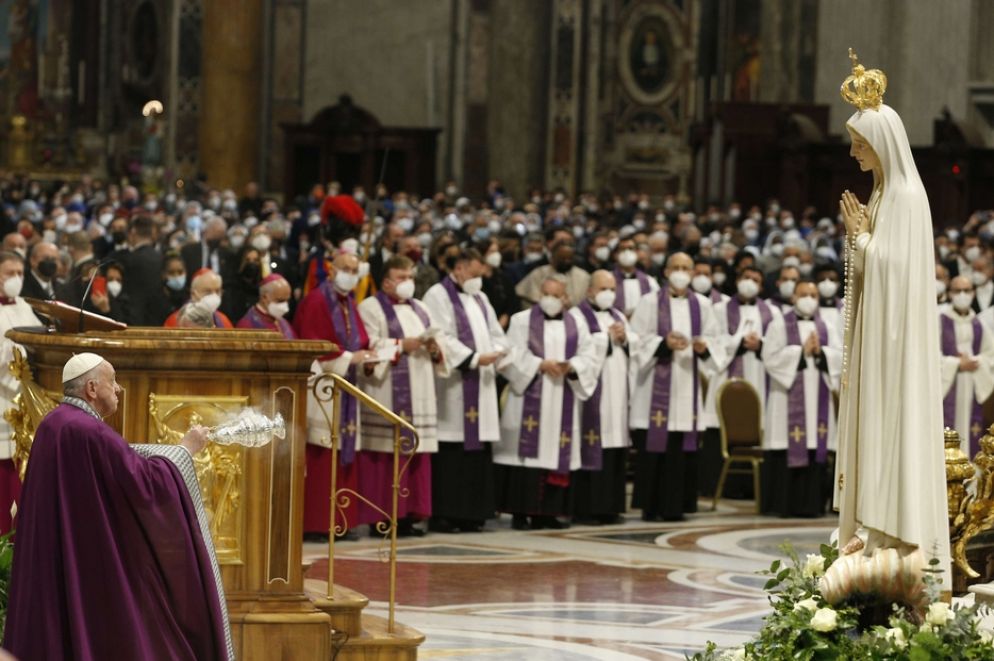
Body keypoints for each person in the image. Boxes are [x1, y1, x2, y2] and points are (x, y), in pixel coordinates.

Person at [3, 353, 231, 660]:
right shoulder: (90, 431)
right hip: (91, 563)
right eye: (113, 381)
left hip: (62, 556)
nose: (119, 388)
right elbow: (145, 482)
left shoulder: (54, 423)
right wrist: (186, 449)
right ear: (93, 388)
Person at [834, 53, 951, 587]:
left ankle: (891, 529)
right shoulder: (883, 192)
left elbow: (897, 272)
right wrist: (860, 239)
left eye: (860, 143)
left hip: (894, 346)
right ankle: (871, 527)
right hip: (876, 340)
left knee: (892, 426)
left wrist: (860, 240)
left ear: (882, 144)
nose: (854, 151)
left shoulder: (904, 196)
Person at [494, 276, 602, 530]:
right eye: (547, 294)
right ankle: (521, 512)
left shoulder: (577, 323)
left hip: (561, 394)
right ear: (539, 294)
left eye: (557, 295)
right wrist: (539, 365)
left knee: (556, 451)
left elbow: (589, 356)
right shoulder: (521, 321)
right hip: (529, 395)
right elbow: (510, 354)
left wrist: (572, 366)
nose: (551, 300)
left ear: (566, 297)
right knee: (525, 458)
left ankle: (550, 513)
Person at [630, 252, 725, 521]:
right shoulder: (649, 302)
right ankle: (651, 506)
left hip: (686, 385)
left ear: (693, 273)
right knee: (655, 448)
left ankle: (677, 506)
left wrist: (703, 346)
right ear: (666, 271)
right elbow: (636, 341)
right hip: (654, 388)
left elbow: (717, 343)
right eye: (677, 267)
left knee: (680, 450)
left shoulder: (703, 305)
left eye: (686, 267)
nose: (681, 272)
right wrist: (663, 343)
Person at [356, 256, 446, 536]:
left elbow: (441, 349)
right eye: (400, 277)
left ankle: (410, 515)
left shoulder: (421, 308)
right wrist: (400, 345)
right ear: (385, 281)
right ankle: (381, 518)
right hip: (386, 391)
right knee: (385, 455)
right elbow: (368, 346)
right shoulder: (370, 307)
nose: (407, 282)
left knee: (415, 454)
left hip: (419, 387)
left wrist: (433, 348)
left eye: (410, 277)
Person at [422, 248, 506, 532]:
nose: (478, 279)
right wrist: (471, 358)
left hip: (481, 383)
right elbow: (438, 334)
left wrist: (497, 352)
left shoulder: (480, 298)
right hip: (454, 385)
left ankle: (473, 513)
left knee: (477, 451)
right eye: (473, 273)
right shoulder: (437, 295)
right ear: (458, 268)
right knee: (452, 451)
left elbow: (496, 333)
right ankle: (446, 514)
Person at [293, 251, 376, 539]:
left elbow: (360, 339)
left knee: (343, 451)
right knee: (322, 451)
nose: (350, 274)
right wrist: (351, 358)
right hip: (323, 386)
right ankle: (319, 523)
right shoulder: (317, 300)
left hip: (346, 386)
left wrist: (367, 357)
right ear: (331, 270)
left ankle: (342, 521)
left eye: (355, 269)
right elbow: (313, 343)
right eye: (345, 268)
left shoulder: (349, 302)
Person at [760, 280, 841, 517]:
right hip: (786, 399)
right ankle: (785, 505)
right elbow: (770, 358)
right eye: (804, 294)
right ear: (794, 297)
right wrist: (800, 351)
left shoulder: (827, 325)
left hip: (818, 397)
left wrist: (822, 352)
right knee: (788, 446)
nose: (809, 298)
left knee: (815, 446)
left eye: (813, 294)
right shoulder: (778, 324)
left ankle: (812, 506)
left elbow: (839, 356)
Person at [701, 265, 781, 497]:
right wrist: (738, 340)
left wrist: (761, 344)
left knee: (758, 424)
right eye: (746, 277)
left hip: (759, 373)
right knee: (721, 427)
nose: (750, 282)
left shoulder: (772, 313)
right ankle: (717, 487)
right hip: (725, 373)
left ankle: (751, 490)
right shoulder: (718, 309)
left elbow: (776, 346)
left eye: (755, 279)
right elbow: (711, 341)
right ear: (737, 280)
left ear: (761, 286)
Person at [570, 270, 635, 524]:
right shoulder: (577, 316)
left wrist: (626, 338)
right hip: (592, 394)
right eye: (602, 288)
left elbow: (636, 344)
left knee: (615, 449)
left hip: (617, 393)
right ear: (589, 291)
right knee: (593, 447)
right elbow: (580, 347)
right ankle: (588, 509)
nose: (608, 294)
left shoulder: (618, 315)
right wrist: (607, 338)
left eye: (611, 289)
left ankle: (612, 507)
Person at [0, 251, 42, 533]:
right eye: (8, 273)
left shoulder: (26, 305)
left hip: (25, 399)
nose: (15, 279)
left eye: (19, 273)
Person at [941, 276, 994, 458]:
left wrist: (975, 361)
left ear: (973, 293)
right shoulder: (940, 320)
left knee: (972, 437)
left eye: (967, 290)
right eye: (957, 290)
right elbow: (929, 356)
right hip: (948, 386)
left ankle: (970, 485)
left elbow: (990, 355)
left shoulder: (979, 324)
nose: (962, 295)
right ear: (950, 293)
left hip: (972, 384)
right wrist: (956, 364)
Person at [164, 268, 234, 328]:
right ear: (193, 294)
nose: (214, 296)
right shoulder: (176, 320)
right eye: (208, 292)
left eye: (217, 291)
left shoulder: (224, 320)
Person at [237, 273, 295, 338]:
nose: (285, 306)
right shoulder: (246, 325)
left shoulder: (284, 323)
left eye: (287, 301)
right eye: (280, 301)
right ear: (264, 297)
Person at [612, 237, 659, 318]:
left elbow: (658, 307)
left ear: (637, 253)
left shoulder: (649, 281)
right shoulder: (608, 279)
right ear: (616, 255)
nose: (627, 252)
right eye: (622, 249)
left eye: (630, 248)